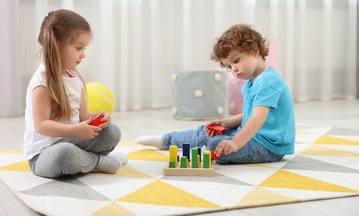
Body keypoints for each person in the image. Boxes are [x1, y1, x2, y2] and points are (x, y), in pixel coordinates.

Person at [135, 24, 295, 164]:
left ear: (254, 50)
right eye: (229, 66)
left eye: (236, 61)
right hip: (254, 136)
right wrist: (227, 123)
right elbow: (251, 113)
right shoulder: (254, 81)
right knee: (208, 130)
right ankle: (165, 141)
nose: (234, 69)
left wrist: (235, 143)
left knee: (216, 144)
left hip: (269, 146)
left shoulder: (267, 81)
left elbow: (258, 117)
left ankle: (190, 149)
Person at [24, 9, 127, 178]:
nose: (83, 55)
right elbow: (41, 125)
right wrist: (75, 130)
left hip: (71, 140)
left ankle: (86, 159)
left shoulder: (74, 76)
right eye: (79, 48)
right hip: (44, 155)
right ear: (57, 45)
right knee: (64, 155)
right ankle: (96, 161)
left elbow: (82, 115)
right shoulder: (42, 81)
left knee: (112, 132)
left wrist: (97, 118)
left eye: (84, 48)